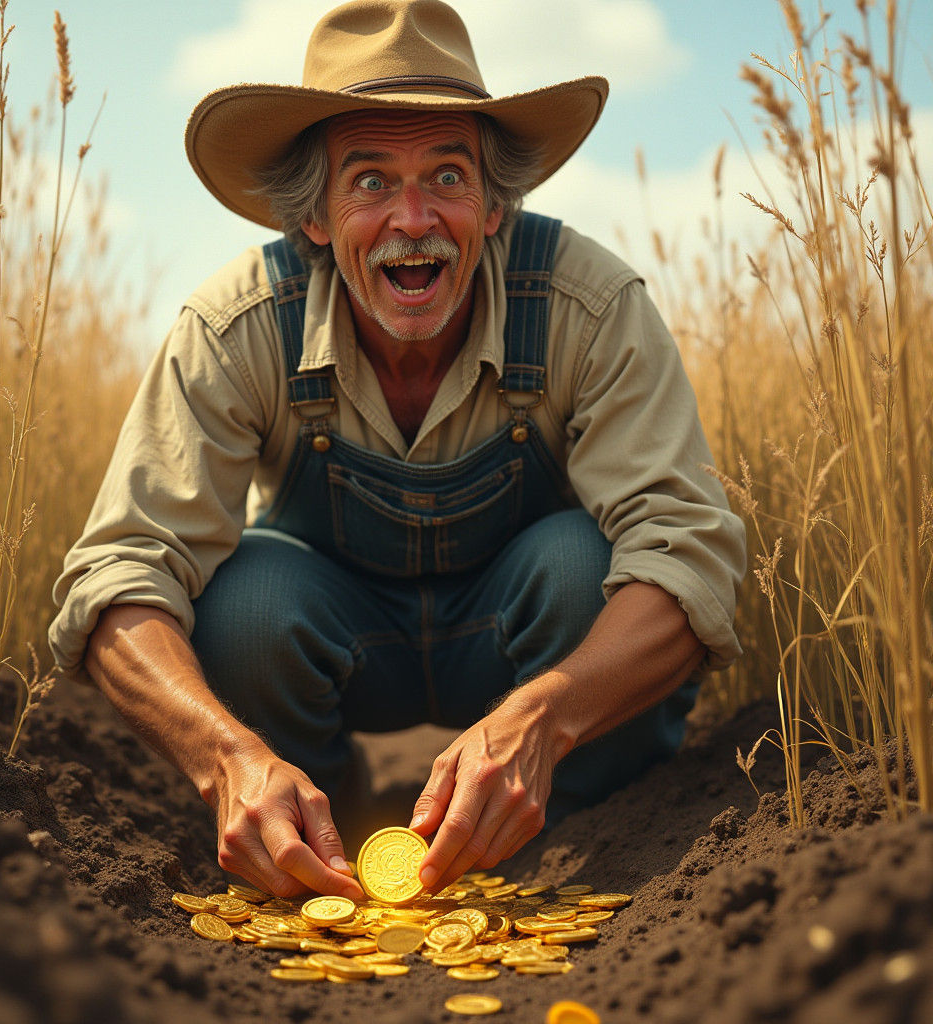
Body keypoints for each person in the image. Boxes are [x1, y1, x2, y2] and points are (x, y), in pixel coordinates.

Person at [49, 0, 745, 902]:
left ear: (494, 206)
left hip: (526, 643)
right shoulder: (235, 328)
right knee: (248, 603)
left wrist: (544, 717)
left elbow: (689, 554)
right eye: (370, 181)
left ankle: (566, 844)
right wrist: (226, 760)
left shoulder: (591, 305)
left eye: (447, 176)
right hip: (338, 638)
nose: (412, 219)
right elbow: (119, 573)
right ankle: (305, 827)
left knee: (584, 568)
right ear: (314, 219)